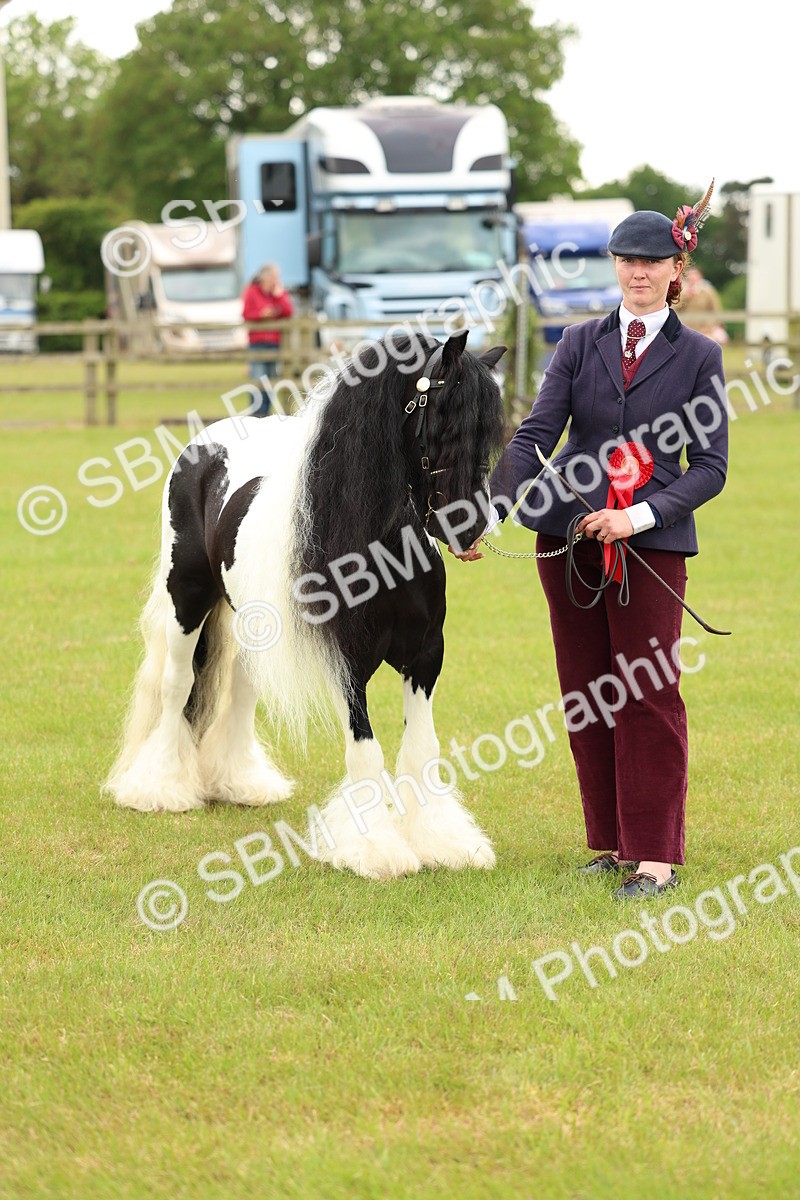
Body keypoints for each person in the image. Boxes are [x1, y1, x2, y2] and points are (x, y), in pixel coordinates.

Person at [453, 185, 728, 901]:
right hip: (565, 537)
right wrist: (488, 513)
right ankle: (611, 843)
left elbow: (710, 467)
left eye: (654, 260)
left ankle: (655, 855)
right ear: (614, 265)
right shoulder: (579, 342)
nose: (639, 272)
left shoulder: (699, 357)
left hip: (650, 545)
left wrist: (637, 517)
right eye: (627, 260)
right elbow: (537, 436)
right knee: (587, 693)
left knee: (647, 690)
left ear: (677, 268)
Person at [241, 264, 294, 416]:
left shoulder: (275, 294)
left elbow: (288, 311)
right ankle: (256, 414)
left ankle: (266, 414)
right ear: (266, 277)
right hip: (257, 342)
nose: (277, 280)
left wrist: (279, 295)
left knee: (270, 381)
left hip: (274, 342)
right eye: (275, 277)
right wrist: (261, 314)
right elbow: (246, 314)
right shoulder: (252, 291)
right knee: (258, 380)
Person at [674, 266, 728, 344]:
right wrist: (686, 297)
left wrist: (708, 326)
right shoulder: (681, 291)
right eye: (690, 274)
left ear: (700, 276)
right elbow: (677, 309)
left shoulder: (708, 291)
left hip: (704, 329)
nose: (692, 277)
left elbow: (715, 310)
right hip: (685, 328)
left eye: (694, 274)